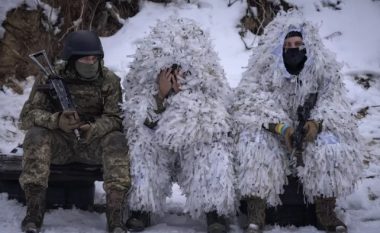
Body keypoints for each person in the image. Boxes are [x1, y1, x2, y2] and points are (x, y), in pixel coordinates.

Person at [232, 12, 364, 233]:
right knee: (252, 143)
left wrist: (316, 124)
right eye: (288, 44)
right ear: (279, 47)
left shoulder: (322, 71)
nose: (293, 49)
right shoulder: (263, 70)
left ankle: (325, 212)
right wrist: (280, 127)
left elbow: (335, 102)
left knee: (331, 145)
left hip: (310, 135)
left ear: (307, 46)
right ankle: (256, 213)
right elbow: (249, 102)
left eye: (298, 44)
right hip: (275, 135)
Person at [122, 17, 236, 233]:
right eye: (169, 68)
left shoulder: (209, 83)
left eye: (181, 68)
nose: (175, 74)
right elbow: (137, 120)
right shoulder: (145, 85)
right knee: (142, 143)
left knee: (213, 145)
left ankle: (215, 212)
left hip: (192, 148)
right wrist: (160, 97)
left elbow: (219, 116)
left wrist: (186, 100)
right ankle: (141, 208)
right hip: (159, 147)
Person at [18, 30, 130, 233]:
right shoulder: (51, 78)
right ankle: (34, 213)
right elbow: (26, 118)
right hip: (60, 145)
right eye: (85, 58)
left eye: (95, 58)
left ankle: (115, 218)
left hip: (92, 146)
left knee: (118, 140)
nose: (91, 62)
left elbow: (116, 118)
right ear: (72, 59)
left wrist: (93, 129)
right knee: (35, 135)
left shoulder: (109, 80)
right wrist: (56, 121)